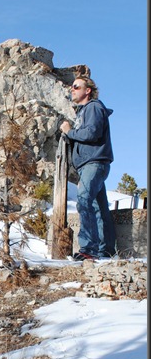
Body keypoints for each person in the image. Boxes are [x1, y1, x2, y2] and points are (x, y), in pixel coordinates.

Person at [59, 75, 116, 261]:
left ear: (87, 90)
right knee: (98, 207)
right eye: (71, 87)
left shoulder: (93, 107)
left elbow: (92, 132)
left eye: (76, 86)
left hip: (94, 163)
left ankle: (88, 249)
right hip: (91, 164)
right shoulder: (85, 111)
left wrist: (70, 132)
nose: (72, 90)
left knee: (83, 200)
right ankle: (105, 250)